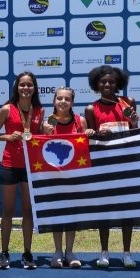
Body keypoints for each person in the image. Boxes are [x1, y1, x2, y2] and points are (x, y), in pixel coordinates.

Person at [84, 65, 138, 268]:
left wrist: (134, 122)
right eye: (103, 81)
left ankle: (127, 253)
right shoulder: (91, 109)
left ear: (118, 84)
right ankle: (104, 251)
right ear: (96, 84)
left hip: (126, 164)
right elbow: (90, 138)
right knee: (104, 210)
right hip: (104, 165)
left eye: (112, 81)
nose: (107, 84)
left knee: (127, 211)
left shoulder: (128, 102)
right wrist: (98, 134)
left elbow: (135, 132)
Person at [0, 72, 44, 269]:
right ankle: (4, 252)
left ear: (34, 88)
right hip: (10, 165)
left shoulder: (40, 111)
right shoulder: (7, 109)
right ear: (17, 87)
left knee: (28, 211)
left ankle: (27, 253)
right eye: (22, 85)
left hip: (30, 167)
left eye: (29, 85)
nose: (26, 88)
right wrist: (7, 137)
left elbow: (38, 136)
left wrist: (44, 132)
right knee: (8, 210)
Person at [42, 87, 94, 268]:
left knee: (72, 214)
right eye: (59, 98)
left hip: (74, 176)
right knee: (57, 214)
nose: (63, 101)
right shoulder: (47, 122)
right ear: (54, 101)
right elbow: (38, 148)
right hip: (53, 176)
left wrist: (89, 134)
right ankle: (57, 252)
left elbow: (87, 147)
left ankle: (70, 252)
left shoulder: (80, 121)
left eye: (67, 99)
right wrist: (44, 132)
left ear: (72, 102)